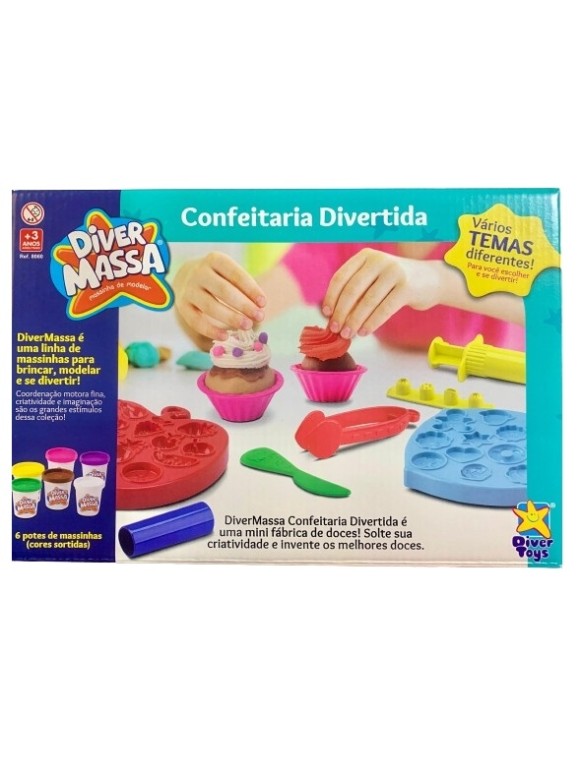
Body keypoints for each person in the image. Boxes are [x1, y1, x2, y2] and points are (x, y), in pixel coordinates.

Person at [173, 242, 525, 352]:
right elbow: (243, 314)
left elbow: (544, 305)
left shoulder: (499, 222)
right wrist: (199, 295)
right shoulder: (345, 235)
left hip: (508, 390)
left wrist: (439, 280)